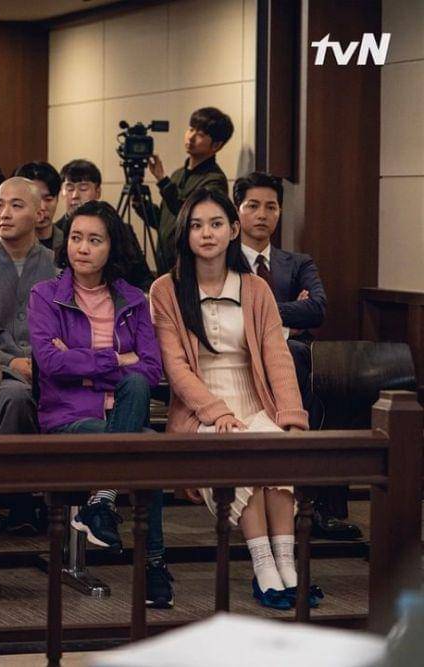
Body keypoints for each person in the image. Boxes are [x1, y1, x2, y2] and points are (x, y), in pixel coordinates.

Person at [149, 188, 319, 610]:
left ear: (233, 230)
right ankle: (264, 569)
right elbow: (177, 369)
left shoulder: (255, 288)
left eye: (216, 224)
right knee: (238, 453)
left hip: (257, 401)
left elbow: (278, 358)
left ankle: (288, 566)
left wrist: (291, 418)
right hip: (200, 412)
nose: (206, 234)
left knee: (276, 448)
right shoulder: (166, 289)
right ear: (185, 234)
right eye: (196, 226)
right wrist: (217, 413)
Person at [29, 200, 172, 608]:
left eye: (94, 240)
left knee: (136, 387)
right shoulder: (45, 296)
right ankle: (153, 564)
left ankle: (102, 501)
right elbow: (51, 364)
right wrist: (115, 360)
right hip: (69, 417)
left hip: (123, 410)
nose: (83, 248)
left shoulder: (133, 299)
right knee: (146, 445)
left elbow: (150, 369)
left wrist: (83, 362)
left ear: (112, 247)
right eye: (76, 238)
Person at [233, 172, 354, 540]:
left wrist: (263, 313)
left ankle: (312, 502)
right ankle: (304, 502)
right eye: (253, 206)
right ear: (237, 210)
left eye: (271, 207)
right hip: (241, 361)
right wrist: (287, 317)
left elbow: (317, 310)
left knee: (331, 390)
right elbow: (228, 314)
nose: (262, 214)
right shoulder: (222, 261)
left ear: (280, 212)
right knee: (297, 357)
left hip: (297, 370)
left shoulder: (298, 262)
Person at [0, 177, 57, 539]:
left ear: (39, 213)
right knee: (14, 396)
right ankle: (19, 503)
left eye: (16, 205)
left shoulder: (57, 266)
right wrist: (9, 363)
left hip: (51, 371)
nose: (4, 213)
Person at [138, 106, 233, 276]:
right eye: (191, 129)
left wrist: (162, 181)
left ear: (216, 145)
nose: (191, 137)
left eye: (200, 134)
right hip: (164, 268)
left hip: (190, 270)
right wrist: (140, 204)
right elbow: (164, 223)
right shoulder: (177, 175)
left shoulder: (214, 180)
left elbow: (191, 216)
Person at [14, 161, 63, 252]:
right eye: (35, 199)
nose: (42, 207)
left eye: (48, 199)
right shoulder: (9, 244)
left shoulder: (66, 242)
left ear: (57, 198)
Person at [56, 159, 102, 230]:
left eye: (83, 188)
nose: (75, 195)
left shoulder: (112, 229)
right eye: (70, 189)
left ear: (98, 192)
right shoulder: (54, 232)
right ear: (61, 192)